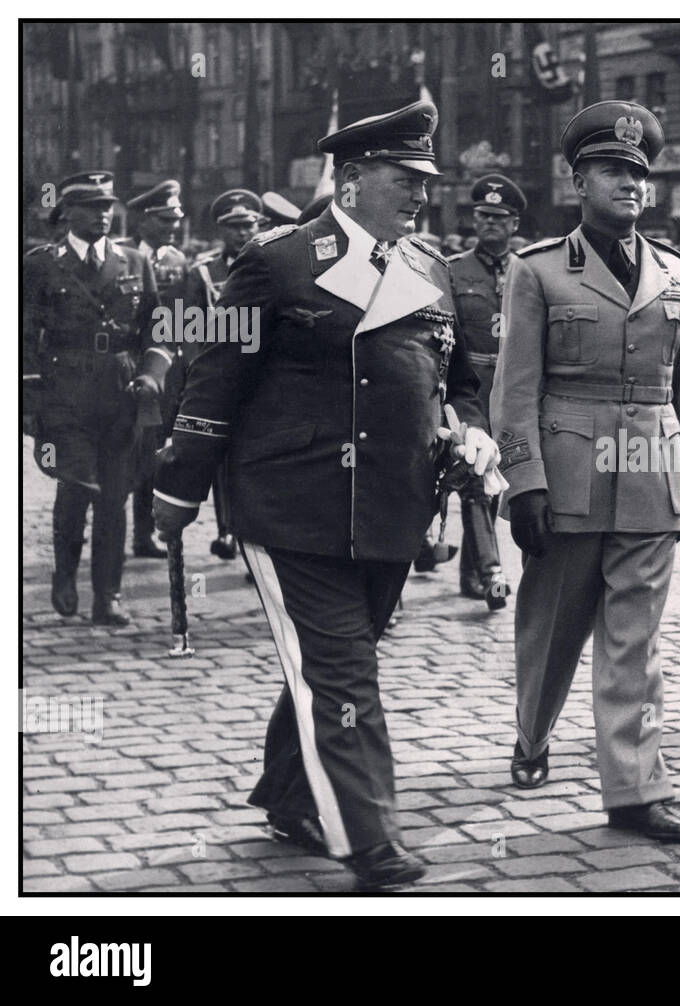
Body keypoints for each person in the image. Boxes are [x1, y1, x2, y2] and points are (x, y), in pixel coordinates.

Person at [152, 100, 498, 890]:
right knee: (343, 671)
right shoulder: (278, 261)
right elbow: (217, 374)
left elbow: (461, 385)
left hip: (393, 506)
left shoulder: (429, 269)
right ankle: (368, 840)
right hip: (291, 504)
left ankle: (287, 793)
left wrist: (471, 432)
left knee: (333, 658)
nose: (419, 193)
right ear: (349, 180)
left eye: (423, 179)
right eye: (402, 178)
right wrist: (180, 488)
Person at [491, 100, 680, 842]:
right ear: (577, 180)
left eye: (639, 174)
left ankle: (634, 791)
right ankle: (533, 730)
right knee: (553, 633)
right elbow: (515, 388)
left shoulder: (678, 273)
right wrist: (524, 484)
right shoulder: (537, 270)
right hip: (569, 472)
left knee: (634, 644)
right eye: (613, 171)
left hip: (650, 473)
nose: (630, 185)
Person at [23, 172, 168, 626]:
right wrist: (30, 405)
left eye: (108, 206)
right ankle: (65, 577)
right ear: (67, 213)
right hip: (65, 394)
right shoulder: (41, 264)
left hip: (121, 395)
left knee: (114, 499)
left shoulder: (133, 262)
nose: (104, 215)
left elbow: (157, 329)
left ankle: (108, 596)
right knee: (76, 489)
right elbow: (24, 338)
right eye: (92, 207)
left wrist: (151, 374)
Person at [445, 172, 525, 607]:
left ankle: (472, 573)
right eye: (483, 216)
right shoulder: (453, 271)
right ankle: (492, 573)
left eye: (500, 218)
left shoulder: (528, 270)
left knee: (495, 484)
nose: (490, 224)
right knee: (477, 480)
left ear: (514, 225)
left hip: (514, 390)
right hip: (471, 390)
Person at [176, 190, 268, 560]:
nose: (241, 233)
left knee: (261, 461)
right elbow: (188, 329)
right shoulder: (204, 273)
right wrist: (203, 377)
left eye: (247, 225)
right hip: (224, 380)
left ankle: (259, 539)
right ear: (221, 231)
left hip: (264, 381)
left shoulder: (274, 266)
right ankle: (228, 531)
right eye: (233, 227)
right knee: (224, 459)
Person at [123, 179, 189, 560]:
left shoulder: (177, 262)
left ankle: (148, 531)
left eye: (175, 220)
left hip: (173, 371)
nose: (172, 227)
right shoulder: (124, 255)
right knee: (133, 450)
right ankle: (128, 529)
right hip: (137, 369)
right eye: (164, 220)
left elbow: (182, 316)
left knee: (162, 452)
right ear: (144, 220)